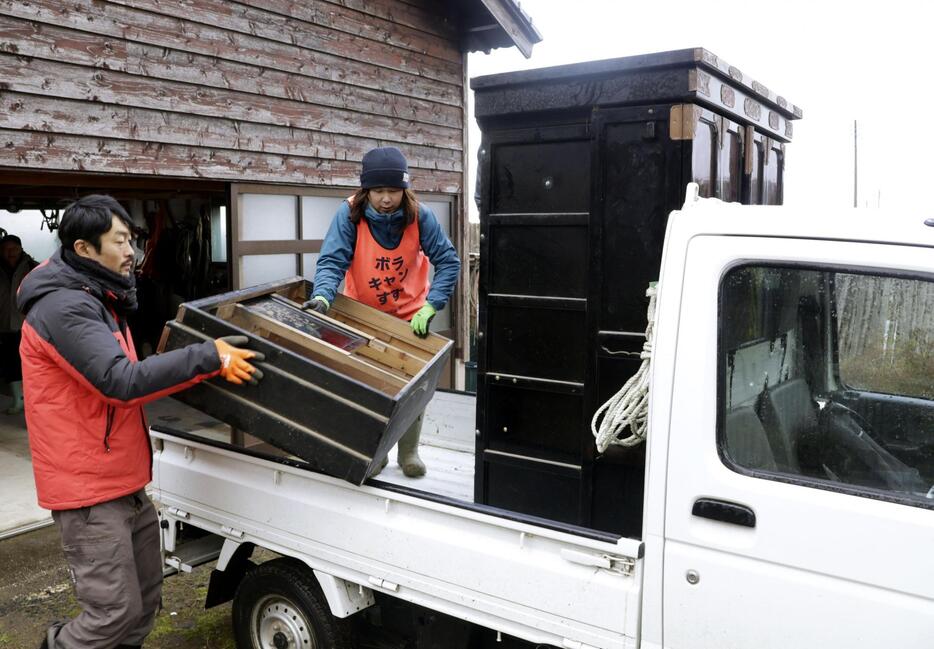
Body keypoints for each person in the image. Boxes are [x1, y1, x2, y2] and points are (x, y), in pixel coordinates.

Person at [17, 195, 263, 649]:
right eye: (120, 241)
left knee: (145, 601)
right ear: (85, 249)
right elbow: (120, 381)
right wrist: (208, 356)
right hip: (88, 492)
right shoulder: (63, 308)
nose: (132, 250)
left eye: (133, 239)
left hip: (123, 481)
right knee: (113, 614)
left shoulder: (100, 296)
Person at [305, 146, 460, 478]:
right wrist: (321, 297)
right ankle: (377, 452)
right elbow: (333, 261)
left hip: (409, 316)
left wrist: (432, 305)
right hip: (363, 314)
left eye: (393, 191)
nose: (386, 199)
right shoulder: (349, 215)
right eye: (378, 191)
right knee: (369, 385)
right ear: (366, 190)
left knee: (412, 386)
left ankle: (410, 452)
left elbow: (448, 262)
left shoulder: (420, 216)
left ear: (404, 190)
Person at [0, 233, 38, 414]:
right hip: (4, 324)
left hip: (28, 325)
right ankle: (18, 400)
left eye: (14, 248)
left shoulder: (33, 268)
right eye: (6, 249)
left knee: (29, 363)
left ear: (21, 249)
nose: (11, 253)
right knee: (10, 363)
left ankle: (31, 401)